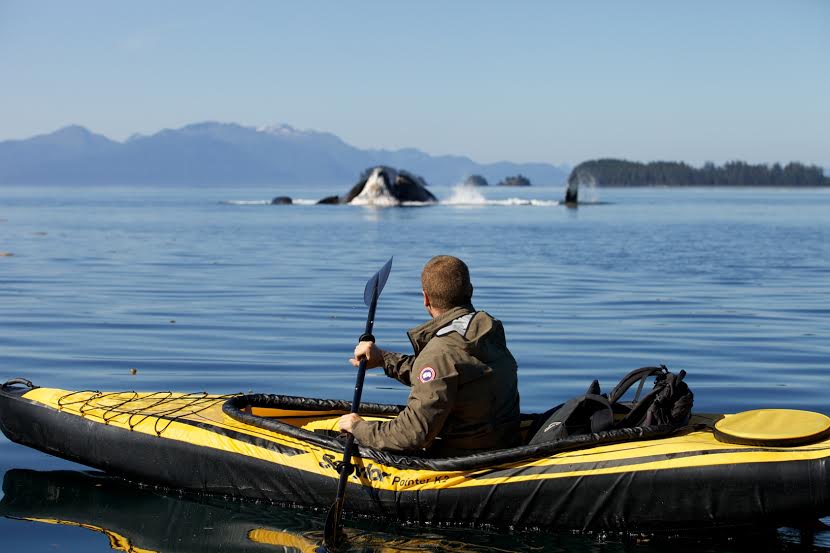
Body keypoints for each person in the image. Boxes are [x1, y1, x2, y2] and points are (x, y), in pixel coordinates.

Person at [338, 255, 520, 456]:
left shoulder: (440, 352)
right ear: (470, 290)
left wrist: (359, 428)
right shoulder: (487, 332)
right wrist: (383, 359)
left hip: (461, 458)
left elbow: (413, 435)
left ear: (425, 298)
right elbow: (445, 372)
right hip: (502, 443)